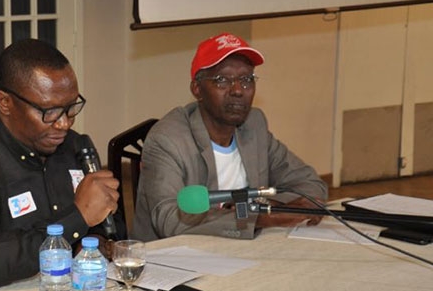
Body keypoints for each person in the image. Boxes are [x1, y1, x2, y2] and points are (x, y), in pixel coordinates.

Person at [0, 39, 122, 291]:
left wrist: (99, 240)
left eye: (71, 107)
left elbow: (108, 227)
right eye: (49, 111)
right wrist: (77, 218)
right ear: (4, 103)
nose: (64, 124)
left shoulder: (74, 147)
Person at [132, 33, 328, 240]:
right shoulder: (168, 139)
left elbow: (310, 185)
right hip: (177, 259)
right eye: (222, 80)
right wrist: (255, 217)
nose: (237, 90)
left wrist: (272, 207)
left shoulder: (254, 124)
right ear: (197, 89)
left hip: (244, 249)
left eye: (246, 80)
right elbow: (169, 220)